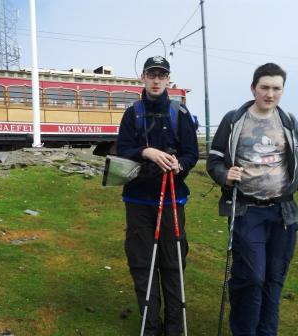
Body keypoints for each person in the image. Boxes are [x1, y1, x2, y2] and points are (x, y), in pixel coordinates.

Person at [207, 62, 298, 335]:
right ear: (253, 88)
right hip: (247, 211)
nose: (270, 94)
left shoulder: (289, 122)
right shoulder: (234, 120)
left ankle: (267, 332)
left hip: (283, 212)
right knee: (252, 277)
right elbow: (214, 160)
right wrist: (225, 175)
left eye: (276, 88)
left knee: (274, 279)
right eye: (265, 87)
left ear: (282, 90)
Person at [116, 56, 199, 336]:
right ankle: (150, 327)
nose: (155, 80)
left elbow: (191, 153)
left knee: (173, 263)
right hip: (139, 201)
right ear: (142, 77)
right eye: (151, 74)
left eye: (161, 75)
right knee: (142, 263)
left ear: (168, 80)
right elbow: (121, 149)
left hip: (173, 199)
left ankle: (175, 328)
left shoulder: (180, 114)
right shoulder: (132, 113)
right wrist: (145, 151)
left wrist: (180, 165)